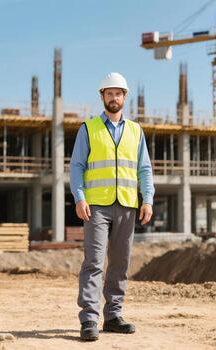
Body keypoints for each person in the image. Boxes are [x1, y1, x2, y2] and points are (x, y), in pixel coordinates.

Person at [69, 72, 155, 341]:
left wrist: (148, 199)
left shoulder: (135, 130)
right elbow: (77, 166)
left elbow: (144, 168)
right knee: (94, 262)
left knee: (120, 262)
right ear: (102, 96)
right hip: (96, 205)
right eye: (109, 93)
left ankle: (114, 316)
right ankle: (89, 319)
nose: (114, 98)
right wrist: (80, 197)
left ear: (124, 97)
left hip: (127, 204)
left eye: (118, 93)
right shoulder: (89, 128)